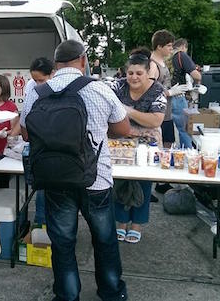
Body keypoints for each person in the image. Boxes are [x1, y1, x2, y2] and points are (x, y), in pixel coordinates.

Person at [20, 40, 131, 301]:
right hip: (96, 179)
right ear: (83, 60)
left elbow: (26, 133)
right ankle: (112, 292)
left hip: (55, 178)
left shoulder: (37, 92)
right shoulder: (99, 89)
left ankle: (68, 295)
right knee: (104, 240)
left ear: (56, 63)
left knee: (63, 242)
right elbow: (123, 129)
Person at [111, 48, 167, 244]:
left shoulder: (158, 90)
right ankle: (121, 222)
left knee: (143, 182)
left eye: (138, 73)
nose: (133, 77)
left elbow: (156, 121)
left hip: (148, 144)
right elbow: (107, 110)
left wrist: (128, 111)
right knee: (119, 180)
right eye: (130, 73)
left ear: (147, 73)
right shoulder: (117, 86)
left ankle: (137, 225)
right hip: (120, 141)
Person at [23, 57, 54, 227]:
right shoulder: (31, 86)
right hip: (39, 146)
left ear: (53, 74)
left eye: (41, 80)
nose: (38, 83)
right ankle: (40, 224)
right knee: (41, 187)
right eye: (35, 80)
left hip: (56, 146)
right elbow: (25, 118)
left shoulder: (59, 87)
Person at [148, 30, 188, 149]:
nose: (172, 48)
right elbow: (149, 92)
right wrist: (170, 92)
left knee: (168, 147)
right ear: (159, 46)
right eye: (169, 45)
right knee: (159, 150)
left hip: (166, 114)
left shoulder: (163, 63)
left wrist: (173, 90)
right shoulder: (152, 65)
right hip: (156, 116)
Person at [171, 38, 201, 148]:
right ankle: (187, 155)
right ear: (183, 46)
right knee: (184, 129)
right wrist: (198, 81)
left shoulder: (165, 57)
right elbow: (196, 75)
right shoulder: (181, 55)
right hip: (177, 96)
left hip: (165, 95)